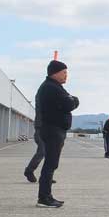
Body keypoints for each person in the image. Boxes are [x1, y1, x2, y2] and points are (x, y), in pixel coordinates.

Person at [35, 60, 79, 208]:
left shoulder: (54, 87)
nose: (66, 76)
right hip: (53, 129)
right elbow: (69, 104)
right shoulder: (51, 88)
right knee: (50, 163)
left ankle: (46, 195)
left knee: (51, 163)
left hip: (54, 129)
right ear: (55, 73)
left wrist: (72, 100)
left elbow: (70, 102)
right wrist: (73, 100)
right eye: (64, 72)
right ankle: (44, 197)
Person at [23, 90, 44, 183]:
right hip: (41, 129)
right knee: (42, 151)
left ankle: (46, 176)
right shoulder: (43, 98)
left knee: (48, 153)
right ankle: (29, 170)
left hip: (46, 128)